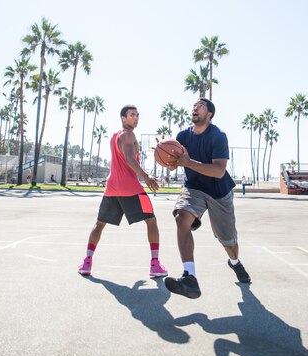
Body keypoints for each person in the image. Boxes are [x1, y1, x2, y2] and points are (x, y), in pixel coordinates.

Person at [164, 98, 251, 299]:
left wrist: (189, 162)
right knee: (181, 218)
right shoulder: (182, 136)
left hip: (218, 192)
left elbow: (219, 171)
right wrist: (166, 156)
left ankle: (235, 262)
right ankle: (190, 278)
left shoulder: (218, 136)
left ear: (209, 114)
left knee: (228, 241)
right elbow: (174, 164)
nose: (195, 108)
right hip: (194, 187)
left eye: (200, 106)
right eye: (193, 105)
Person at [78, 104, 168, 278]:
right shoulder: (128, 134)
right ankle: (155, 264)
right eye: (132, 115)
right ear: (123, 118)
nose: (136, 118)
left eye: (137, 115)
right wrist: (146, 177)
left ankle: (87, 263)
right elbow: (128, 159)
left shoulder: (115, 136)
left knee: (99, 224)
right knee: (151, 221)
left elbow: (124, 157)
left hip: (112, 188)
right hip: (131, 188)